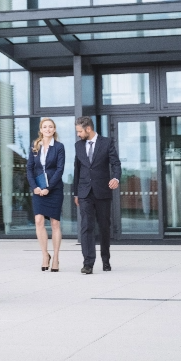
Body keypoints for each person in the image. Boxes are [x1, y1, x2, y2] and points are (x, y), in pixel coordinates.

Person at [72, 116, 120, 275]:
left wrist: (116, 178)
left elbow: (115, 163)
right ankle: (88, 263)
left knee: (104, 227)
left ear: (88, 129)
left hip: (102, 191)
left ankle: (106, 259)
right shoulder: (78, 146)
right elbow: (77, 170)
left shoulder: (106, 143)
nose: (78, 134)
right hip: (85, 192)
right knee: (86, 226)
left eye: (79, 131)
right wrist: (76, 193)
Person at [26, 117, 65, 272]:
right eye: (45, 127)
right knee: (39, 221)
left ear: (54, 130)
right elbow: (29, 169)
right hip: (38, 189)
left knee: (55, 223)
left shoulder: (59, 147)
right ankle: (44, 255)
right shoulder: (35, 146)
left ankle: (55, 257)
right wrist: (34, 187)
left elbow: (60, 169)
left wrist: (48, 187)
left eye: (50, 127)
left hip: (54, 189)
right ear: (41, 130)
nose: (48, 129)